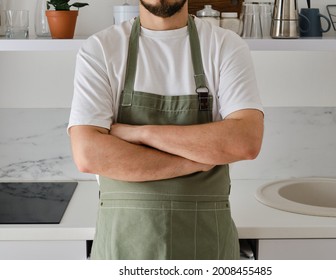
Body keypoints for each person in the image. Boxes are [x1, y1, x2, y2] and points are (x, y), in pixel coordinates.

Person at [68, 0, 264, 260]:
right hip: (123, 247)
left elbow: (245, 141)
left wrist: (142, 134)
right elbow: (89, 155)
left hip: (206, 246)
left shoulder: (225, 46)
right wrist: (195, 161)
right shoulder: (101, 49)